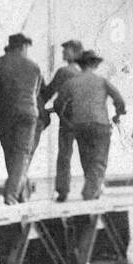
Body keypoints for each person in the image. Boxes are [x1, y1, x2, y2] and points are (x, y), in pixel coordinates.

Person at [53, 50, 126, 200]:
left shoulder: (71, 82)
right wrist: (118, 113)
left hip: (79, 125)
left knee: (86, 160)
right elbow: (119, 100)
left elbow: (58, 103)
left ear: (80, 65)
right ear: (95, 64)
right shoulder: (102, 81)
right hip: (100, 125)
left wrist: (66, 119)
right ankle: (90, 191)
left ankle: (94, 189)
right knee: (98, 161)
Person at [0, 33, 42, 204]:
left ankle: (12, 194)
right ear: (24, 47)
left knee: (10, 152)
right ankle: (17, 193)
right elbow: (36, 92)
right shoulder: (34, 66)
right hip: (28, 113)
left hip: (5, 114)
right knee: (21, 153)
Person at [39, 39, 84, 200]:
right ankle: (95, 187)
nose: (63, 52)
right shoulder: (86, 73)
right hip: (86, 119)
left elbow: (47, 93)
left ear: (76, 53)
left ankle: (63, 190)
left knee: (65, 154)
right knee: (87, 155)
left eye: (67, 50)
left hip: (68, 119)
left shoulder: (64, 72)